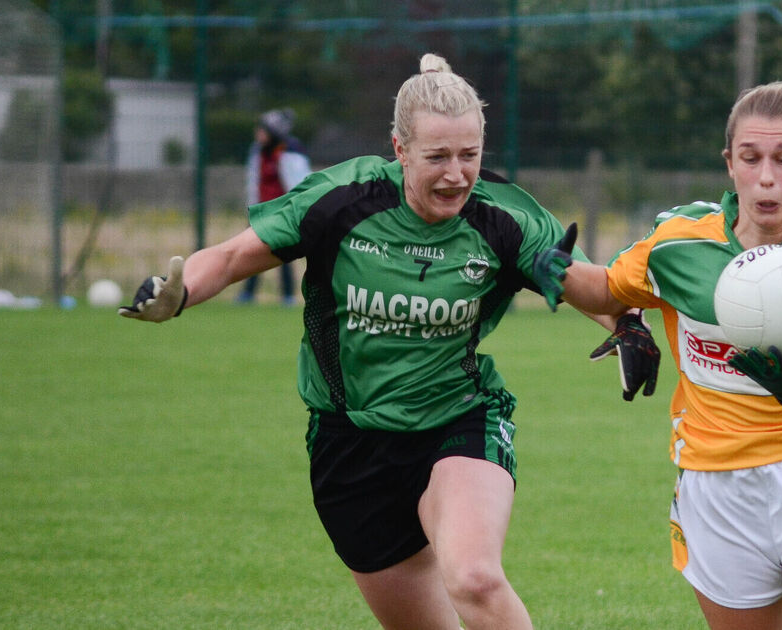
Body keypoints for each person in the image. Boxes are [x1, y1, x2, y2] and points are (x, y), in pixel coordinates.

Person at [118, 54, 659, 630]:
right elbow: (227, 258)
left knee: (475, 579)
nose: (456, 174)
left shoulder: (503, 217)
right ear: (399, 150)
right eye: (437, 157)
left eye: (469, 156)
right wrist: (180, 294)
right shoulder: (342, 200)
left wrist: (627, 322)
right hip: (348, 443)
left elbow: (589, 284)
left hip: (459, 419)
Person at [536, 80, 782, 630]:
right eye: (751, 158)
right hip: (714, 488)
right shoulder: (679, 243)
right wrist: (551, 270)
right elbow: (606, 291)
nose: (766, 177)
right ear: (729, 163)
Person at [236, 107, 311, 305]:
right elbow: (254, 181)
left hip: (282, 213)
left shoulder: (288, 152)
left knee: (283, 256)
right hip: (260, 212)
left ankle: (287, 296)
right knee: (252, 255)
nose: (258, 133)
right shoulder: (257, 151)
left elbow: (299, 183)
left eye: (262, 130)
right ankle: (248, 294)